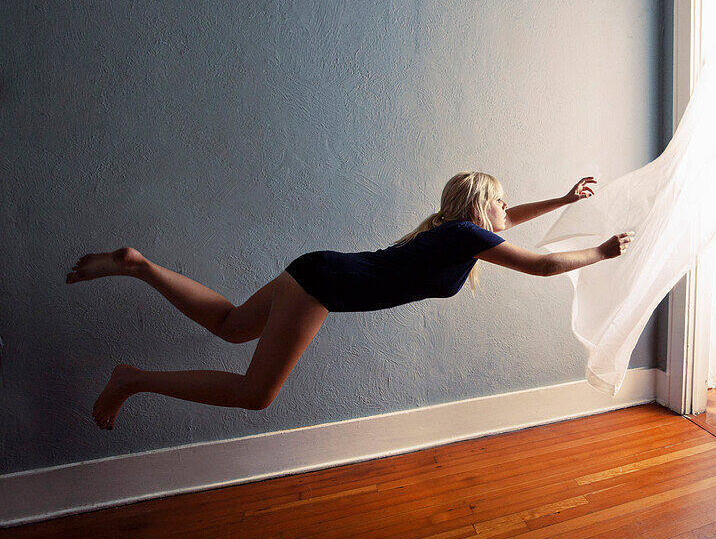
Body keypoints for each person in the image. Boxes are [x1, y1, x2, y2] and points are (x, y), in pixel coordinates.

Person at [66, 171, 634, 429]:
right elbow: (543, 266)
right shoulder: (460, 238)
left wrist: (562, 199)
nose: (506, 214)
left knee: (232, 324)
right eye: (500, 204)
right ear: (479, 208)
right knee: (255, 395)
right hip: (324, 284)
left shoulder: (451, 234)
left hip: (318, 272)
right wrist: (604, 251)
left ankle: (138, 266)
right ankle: (131, 379)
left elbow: (508, 222)